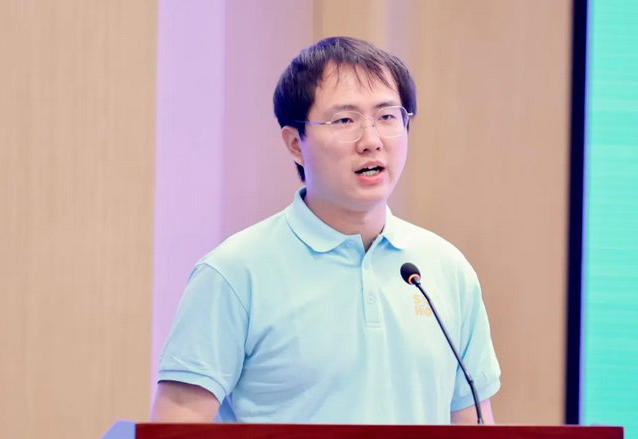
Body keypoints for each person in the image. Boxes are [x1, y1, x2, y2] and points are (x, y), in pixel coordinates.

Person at [150, 36, 501, 424]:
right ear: (294, 143)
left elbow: (474, 424)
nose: (371, 141)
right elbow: (176, 425)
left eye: (387, 117)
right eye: (345, 121)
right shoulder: (234, 272)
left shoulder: (445, 269)